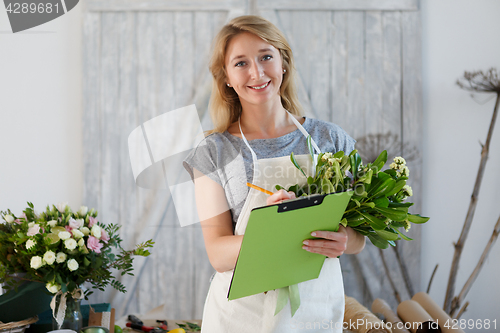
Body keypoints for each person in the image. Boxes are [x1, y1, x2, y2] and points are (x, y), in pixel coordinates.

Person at [183, 15, 366, 332]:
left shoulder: (332, 141)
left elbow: (359, 238)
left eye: (266, 56)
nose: (257, 72)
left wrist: (345, 240)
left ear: (284, 63)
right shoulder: (214, 151)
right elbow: (217, 252)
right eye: (240, 63)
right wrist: (267, 230)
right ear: (226, 76)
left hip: (313, 311)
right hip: (240, 316)